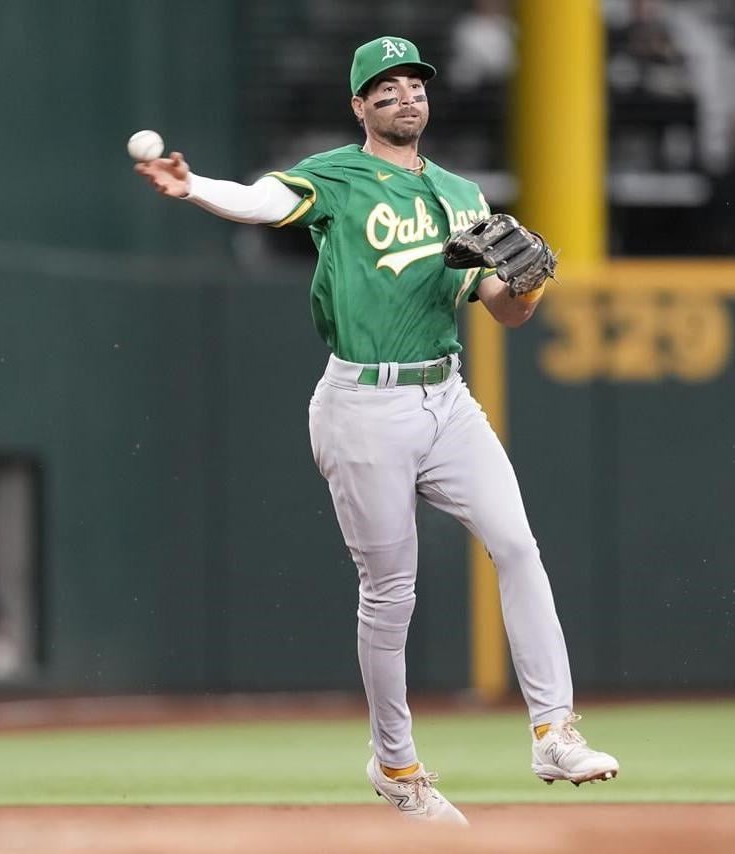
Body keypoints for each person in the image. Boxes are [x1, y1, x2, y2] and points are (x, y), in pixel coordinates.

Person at [135, 35, 619, 825]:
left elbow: (502, 305)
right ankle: (397, 766)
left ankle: (553, 732)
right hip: (364, 404)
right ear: (359, 106)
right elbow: (264, 201)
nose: (404, 97)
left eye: (413, 85)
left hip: (447, 396)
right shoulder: (337, 175)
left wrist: (527, 284)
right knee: (391, 593)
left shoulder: (463, 193)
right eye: (384, 88)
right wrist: (195, 189)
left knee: (518, 545)